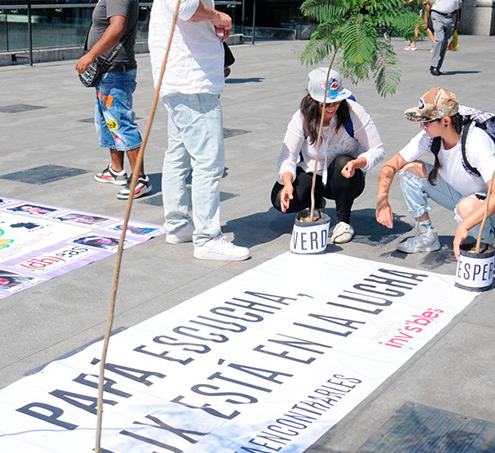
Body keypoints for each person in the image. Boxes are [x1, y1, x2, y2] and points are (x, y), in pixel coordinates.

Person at [148, 0, 249, 260]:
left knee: (178, 155)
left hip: (182, 80)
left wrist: (212, 21)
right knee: (208, 161)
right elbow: (187, 9)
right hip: (192, 82)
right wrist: (219, 16)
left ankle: (179, 224)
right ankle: (207, 238)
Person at [375, 87, 495, 254]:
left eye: (426, 122)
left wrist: (464, 226)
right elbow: (391, 165)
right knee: (409, 169)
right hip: (462, 195)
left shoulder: (476, 143)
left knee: (466, 207)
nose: (422, 127)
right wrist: (382, 200)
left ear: (445, 121)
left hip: (488, 207)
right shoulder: (431, 137)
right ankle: (426, 236)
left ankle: (490, 242)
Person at [272, 68, 385, 244]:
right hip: (312, 175)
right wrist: (287, 184)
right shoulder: (302, 117)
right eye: (326, 104)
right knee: (279, 198)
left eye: (336, 102)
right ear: (312, 100)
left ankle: (343, 222)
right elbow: (287, 158)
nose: (332, 107)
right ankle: (315, 204)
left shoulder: (354, 112)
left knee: (343, 162)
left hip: (343, 178)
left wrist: (358, 163)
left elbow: (377, 149)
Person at [76, 0, 151, 200]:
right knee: (109, 122)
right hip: (108, 71)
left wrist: (91, 55)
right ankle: (116, 170)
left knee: (120, 123)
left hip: (115, 71)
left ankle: (140, 179)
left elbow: (117, 26)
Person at [428, 0, 460, 75]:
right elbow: (429, 4)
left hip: (451, 17)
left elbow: (457, 8)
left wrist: (458, 22)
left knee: (445, 42)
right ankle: (434, 65)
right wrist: (425, 19)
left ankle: (437, 67)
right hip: (437, 14)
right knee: (440, 39)